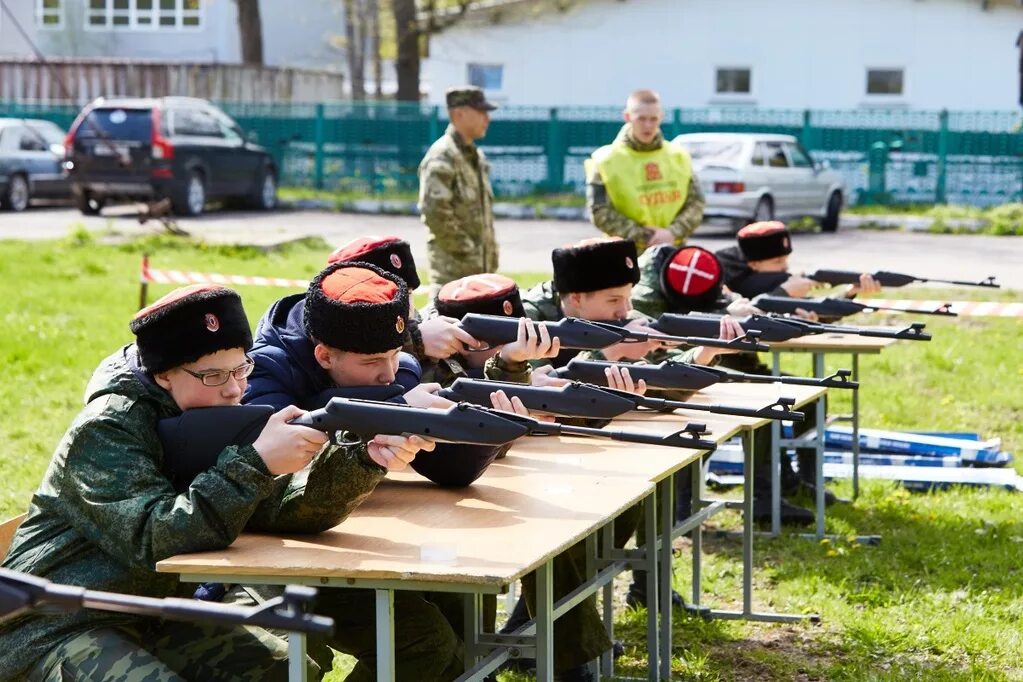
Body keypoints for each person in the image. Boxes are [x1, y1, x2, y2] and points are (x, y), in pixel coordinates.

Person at [0, 284, 427, 681]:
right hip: (56, 621)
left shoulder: (207, 418)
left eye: (242, 369)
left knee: (283, 668)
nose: (234, 390)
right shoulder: (108, 428)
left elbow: (289, 513)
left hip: (154, 612)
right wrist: (256, 464)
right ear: (164, 374)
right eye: (213, 376)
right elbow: (156, 538)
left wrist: (361, 459)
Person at [245, 261, 534, 680]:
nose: (389, 373)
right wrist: (395, 412)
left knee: (458, 599)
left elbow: (452, 473)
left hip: (356, 538)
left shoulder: (392, 369)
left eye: (397, 355)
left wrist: (478, 431)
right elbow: (285, 466)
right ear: (323, 355)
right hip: (280, 553)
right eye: (374, 362)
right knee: (424, 641)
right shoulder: (264, 374)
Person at [520, 236, 744, 610]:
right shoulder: (528, 318)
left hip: (581, 441)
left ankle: (637, 589)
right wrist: (609, 352)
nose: (625, 310)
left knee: (646, 484)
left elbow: (656, 393)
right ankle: (538, 629)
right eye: (614, 300)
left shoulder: (607, 319)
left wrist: (704, 353)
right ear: (576, 298)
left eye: (628, 298)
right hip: (527, 455)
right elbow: (521, 386)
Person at [714, 221, 881, 500]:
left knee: (814, 397)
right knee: (770, 408)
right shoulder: (723, 287)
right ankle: (768, 493)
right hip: (722, 370)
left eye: (786, 260)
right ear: (753, 264)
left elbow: (818, 312)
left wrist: (850, 293)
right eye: (777, 261)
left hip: (752, 368)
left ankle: (805, 480)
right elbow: (747, 313)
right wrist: (784, 294)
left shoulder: (769, 281)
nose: (784, 268)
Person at [584, 89, 705, 252]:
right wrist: (645, 236)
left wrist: (672, 232)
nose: (648, 125)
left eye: (653, 119)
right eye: (641, 119)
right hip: (624, 255)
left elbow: (696, 203)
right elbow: (599, 211)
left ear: (661, 117)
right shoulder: (605, 160)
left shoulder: (679, 156)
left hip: (672, 252)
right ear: (627, 117)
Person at [418, 86, 499, 296]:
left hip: (479, 278)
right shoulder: (443, 156)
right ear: (459, 114)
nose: (487, 118)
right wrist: (468, 251)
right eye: (481, 112)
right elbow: (435, 212)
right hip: (452, 280)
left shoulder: (475, 157)